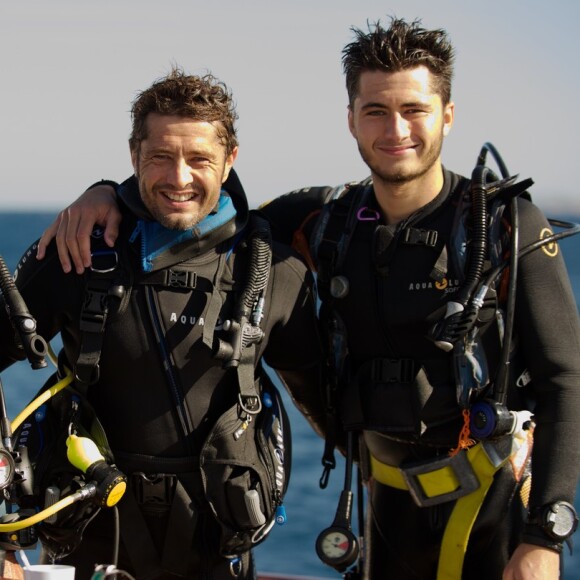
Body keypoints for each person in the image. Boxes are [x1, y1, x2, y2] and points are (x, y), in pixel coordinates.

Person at [37, 18, 580, 579]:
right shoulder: (324, 222)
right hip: (384, 497)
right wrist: (105, 195)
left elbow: (566, 379)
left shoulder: (505, 225)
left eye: (414, 109)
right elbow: (201, 213)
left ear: (447, 113)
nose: (395, 129)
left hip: (493, 503)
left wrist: (545, 534)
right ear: (351, 119)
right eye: (375, 111)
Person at [0, 68, 326, 579]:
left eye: (200, 159)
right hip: (90, 538)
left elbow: (334, 410)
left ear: (230, 161)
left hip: (216, 547)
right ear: (134, 156)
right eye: (160, 157)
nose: (179, 178)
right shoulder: (77, 252)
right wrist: (3, 542)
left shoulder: (275, 273)